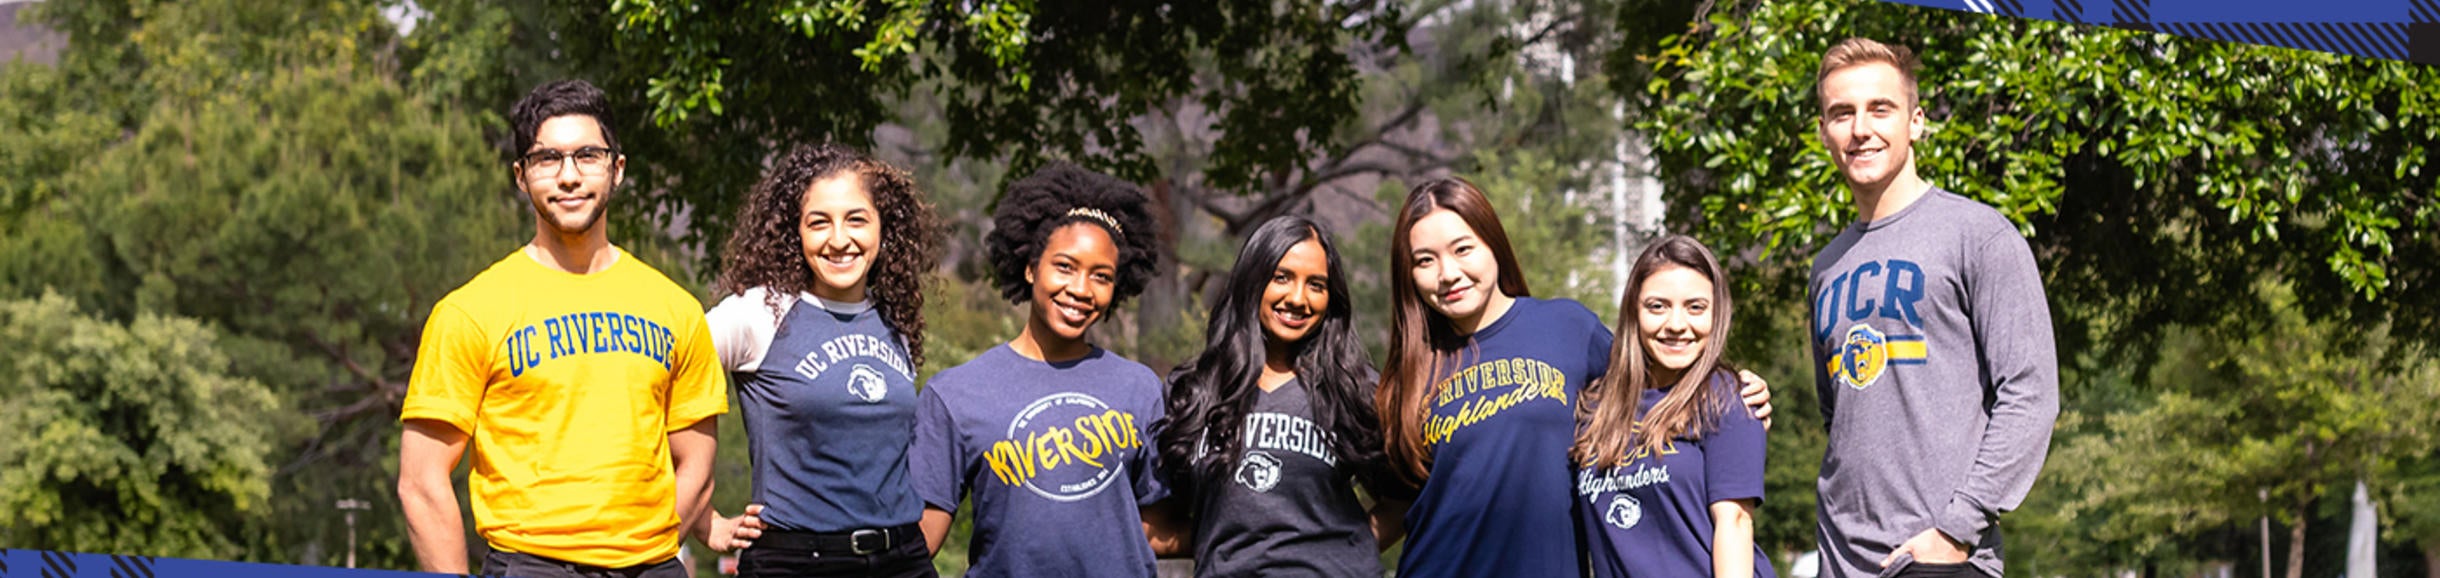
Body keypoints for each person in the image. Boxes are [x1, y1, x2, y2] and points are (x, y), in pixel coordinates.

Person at [397, 79, 725, 577]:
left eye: (587, 155)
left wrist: (638, 554)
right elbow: (422, 481)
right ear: (521, 177)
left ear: (617, 170)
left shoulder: (675, 309)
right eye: (547, 159)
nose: (568, 176)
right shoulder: (470, 312)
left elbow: (697, 465)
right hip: (531, 566)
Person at [1374, 178, 1774, 577]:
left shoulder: (1568, 328)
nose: (1448, 273)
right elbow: (1397, 504)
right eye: (1425, 260)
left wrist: (1737, 389)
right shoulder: (1408, 374)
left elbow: (1655, 368)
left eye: (1463, 249)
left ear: (1493, 243)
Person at [1807, 37, 2059, 578]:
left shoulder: (1979, 235)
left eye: (1881, 109)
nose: (1860, 129)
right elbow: (1840, 413)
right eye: (1841, 113)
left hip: (1938, 557)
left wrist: (1957, 527)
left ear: (1916, 121)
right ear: (1824, 132)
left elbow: (2030, 394)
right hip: (1838, 559)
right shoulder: (1825, 267)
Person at [908, 163, 1178, 577]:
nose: (1081, 289)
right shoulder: (956, 394)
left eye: (1101, 276)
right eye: (1065, 266)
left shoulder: (1139, 388)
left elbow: (1152, 527)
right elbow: (917, 541)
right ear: (1032, 267)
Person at [695, 143, 945, 577]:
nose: (839, 239)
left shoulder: (893, 320)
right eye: (819, 223)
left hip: (902, 558)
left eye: (856, 220)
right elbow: (655, 388)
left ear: (884, 228)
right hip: (796, 562)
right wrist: (703, 520)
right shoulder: (756, 313)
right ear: (796, 233)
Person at [1153, 215, 1407, 577]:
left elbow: (1401, 502)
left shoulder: (1353, 388)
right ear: (1252, 280)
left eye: (1316, 285)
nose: (1298, 298)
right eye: (1282, 277)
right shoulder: (1192, 391)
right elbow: (1159, 523)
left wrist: (1341, 553)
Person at [1573, 235, 1774, 578]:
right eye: (1657, 306)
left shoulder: (1727, 399)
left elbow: (1736, 523)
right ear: (1634, 311)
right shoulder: (1595, 407)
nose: (1677, 325)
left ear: (1717, 314)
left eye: (1695, 307)